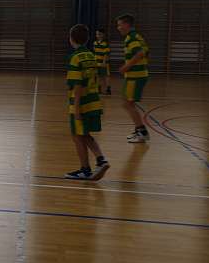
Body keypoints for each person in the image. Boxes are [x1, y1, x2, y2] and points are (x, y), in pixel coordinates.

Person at [64, 24, 109, 180]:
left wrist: (76, 108)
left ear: (71, 39)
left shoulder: (75, 58)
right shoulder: (91, 55)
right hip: (93, 101)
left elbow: (77, 85)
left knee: (76, 135)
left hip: (81, 103)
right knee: (84, 134)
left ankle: (85, 169)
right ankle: (101, 160)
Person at [116, 14, 150, 144]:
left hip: (136, 76)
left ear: (126, 24)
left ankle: (142, 133)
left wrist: (126, 66)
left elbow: (140, 53)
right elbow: (145, 51)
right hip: (135, 75)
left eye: (120, 25)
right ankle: (139, 130)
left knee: (128, 104)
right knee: (127, 103)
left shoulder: (131, 38)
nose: (118, 28)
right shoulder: (137, 36)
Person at [93, 28, 110, 95]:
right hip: (97, 62)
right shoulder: (95, 43)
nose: (98, 35)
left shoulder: (105, 43)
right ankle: (99, 88)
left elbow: (106, 54)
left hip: (103, 63)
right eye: (97, 34)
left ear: (103, 34)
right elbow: (95, 53)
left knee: (106, 76)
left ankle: (108, 89)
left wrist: (104, 62)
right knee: (98, 76)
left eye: (99, 34)